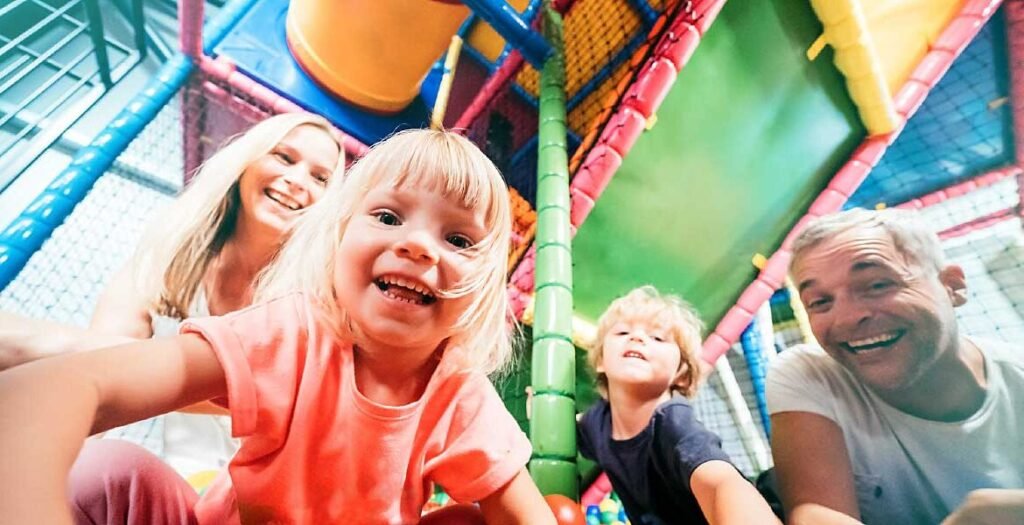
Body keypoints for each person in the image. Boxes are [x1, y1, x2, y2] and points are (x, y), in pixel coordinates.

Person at [0, 129, 554, 524]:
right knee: (111, 471)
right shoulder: (292, 334)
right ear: (337, 240)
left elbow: (524, 511)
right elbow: (74, 384)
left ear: (484, 284)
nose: (416, 244)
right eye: (388, 217)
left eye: (458, 241)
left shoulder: (460, 394)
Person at [0, 111, 345, 481]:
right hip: (182, 478)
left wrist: (31, 347)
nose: (296, 180)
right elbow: (103, 364)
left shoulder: (312, 302)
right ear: (245, 162)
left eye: (320, 178)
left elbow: (274, 402)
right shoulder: (164, 261)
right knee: (94, 460)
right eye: (283, 157)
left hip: (260, 490)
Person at [767, 208, 1024, 525]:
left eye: (876, 285)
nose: (848, 317)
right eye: (820, 302)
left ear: (952, 286)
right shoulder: (811, 375)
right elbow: (816, 514)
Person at [577, 286, 781, 525]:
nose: (637, 337)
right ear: (601, 360)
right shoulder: (597, 422)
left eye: (657, 338)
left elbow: (720, 481)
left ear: (681, 375)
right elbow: (575, 431)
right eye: (622, 332)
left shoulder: (672, 422)